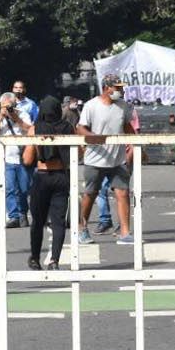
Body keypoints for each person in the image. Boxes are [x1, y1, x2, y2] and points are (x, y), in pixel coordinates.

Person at [77, 73, 135, 246]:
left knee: (123, 193)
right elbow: (81, 128)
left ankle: (125, 232)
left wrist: (137, 144)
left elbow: (127, 126)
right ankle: (82, 227)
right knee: (90, 193)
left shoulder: (124, 106)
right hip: (95, 159)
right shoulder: (91, 106)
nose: (121, 91)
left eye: (121, 88)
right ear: (107, 88)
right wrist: (93, 137)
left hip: (118, 159)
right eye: (117, 88)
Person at [24, 96, 70, 269]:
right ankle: (54, 260)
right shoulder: (67, 128)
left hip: (42, 175)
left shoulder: (35, 129)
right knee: (58, 222)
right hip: (61, 176)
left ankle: (35, 257)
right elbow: (79, 153)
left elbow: (28, 159)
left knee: (37, 220)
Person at [0, 91, 32, 227]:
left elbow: (29, 129)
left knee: (24, 189)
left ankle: (23, 213)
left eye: (10, 106)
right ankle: (13, 216)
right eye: (5, 106)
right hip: (7, 159)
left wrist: (15, 118)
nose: (8, 108)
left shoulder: (22, 114)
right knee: (9, 188)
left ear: (15, 105)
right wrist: (0, 117)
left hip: (22, 157)